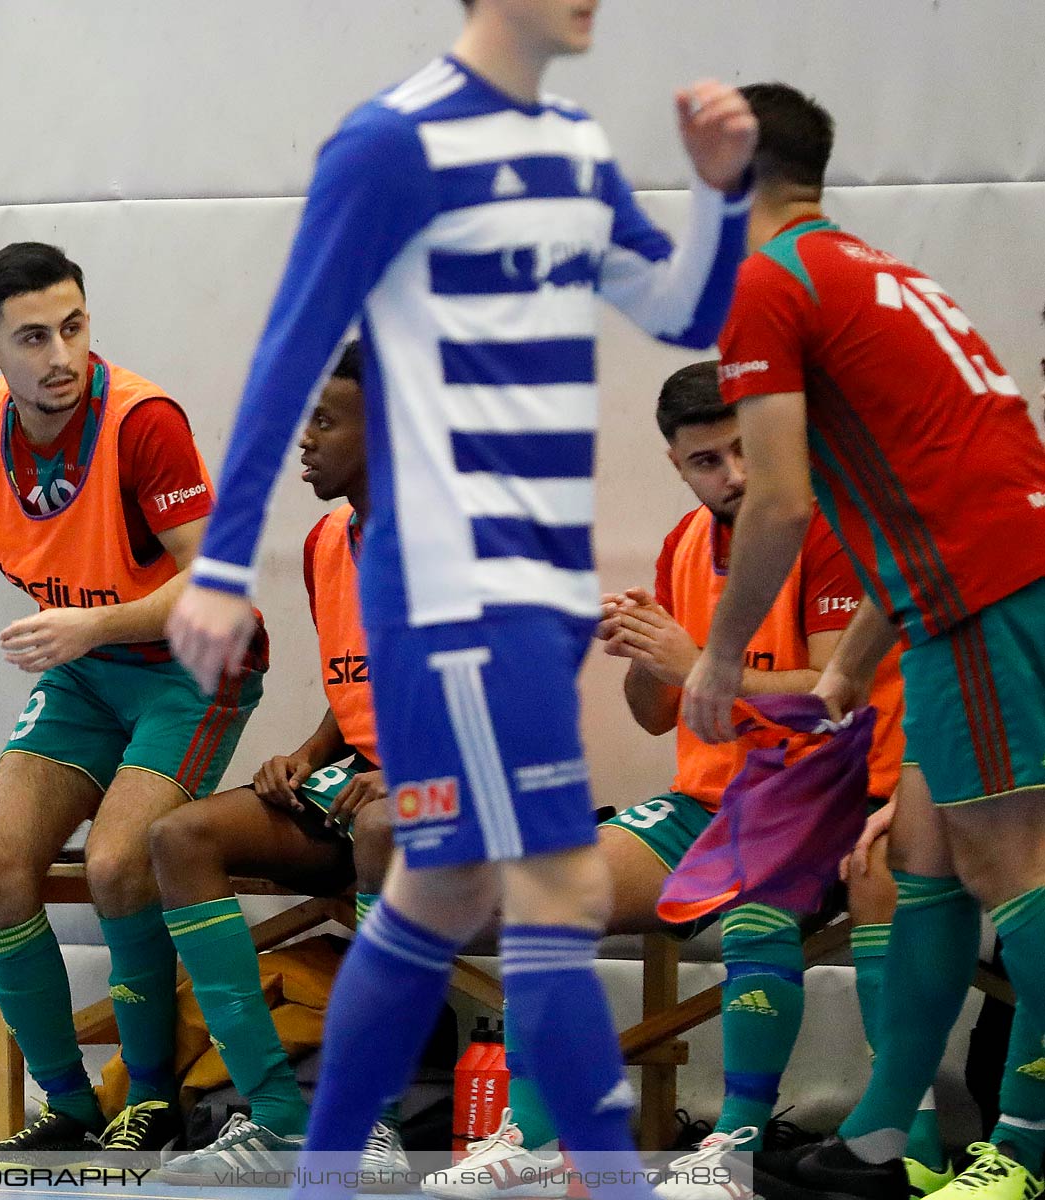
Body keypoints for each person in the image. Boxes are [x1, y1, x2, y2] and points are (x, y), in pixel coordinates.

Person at [165, 0, 757, 1193]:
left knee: (439, 888)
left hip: (537, 588)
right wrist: (224, 565)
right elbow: (293, 345)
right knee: (543, 883)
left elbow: (684, 308)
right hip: (439, 585)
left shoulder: (576, 149)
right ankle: (603, 1177)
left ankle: (323, 1172)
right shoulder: (390, 143)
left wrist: (722, 197)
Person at [422, 361, 915, 1200]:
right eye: (706, 462)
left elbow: (838, 693)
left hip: (834, 789)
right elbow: (657, 715)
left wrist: (695, 663)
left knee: (761, 896)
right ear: (674, 464)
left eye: (742, 450)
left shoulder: (829, 525)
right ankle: (540, 1137)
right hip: (710, 800)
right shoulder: (686, 543)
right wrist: (643, 652)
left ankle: (735, 1144)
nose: (733, 477)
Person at [684, 82, 1045, 1200]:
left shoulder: (766, 283)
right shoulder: (871, 269)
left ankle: (1023, 1152)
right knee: (922, 852)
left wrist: (715, 654)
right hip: (968, 591)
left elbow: (780, 503)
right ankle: (889, 1139)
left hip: (986, 590)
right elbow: (912, 485)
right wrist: (845, 671)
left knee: (1013, 866)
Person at [0, 242, 268, 1168]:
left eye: (74, 327)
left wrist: (88, 628)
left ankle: (149, 1099)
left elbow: (216, 581)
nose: (60, 354)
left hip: (193, 666)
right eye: (33, 337)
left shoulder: (144, 422)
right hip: (89, 671)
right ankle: (65, 1108)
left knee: (118, 861)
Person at [150, 343, 410, 1183]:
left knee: (380, 825)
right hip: (360, 780)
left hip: (460, 790)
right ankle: (276, 1113)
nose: (307, 440)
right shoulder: (328, 539)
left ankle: (374, 1120)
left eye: (327, 423)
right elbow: (363, 683)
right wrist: (305, 753)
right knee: (179, 838)